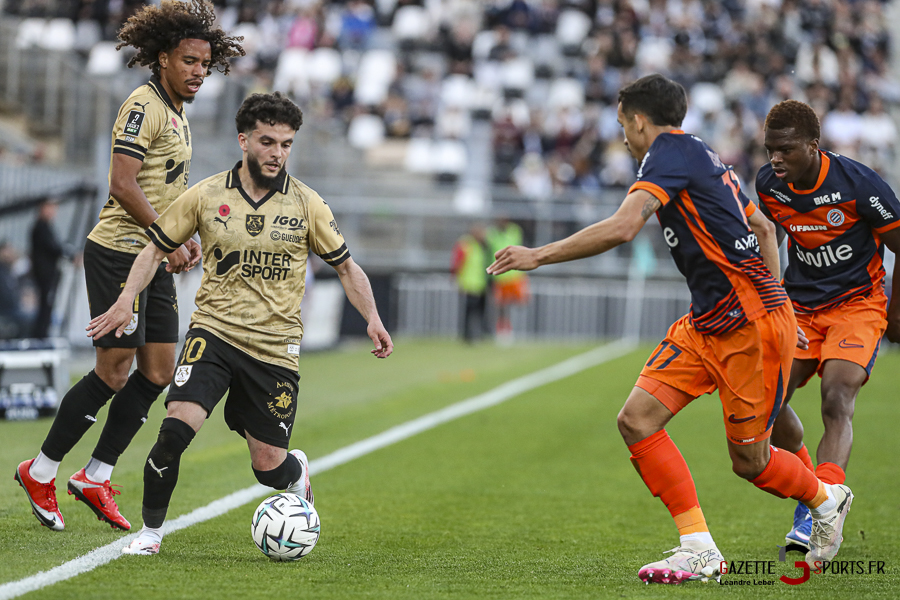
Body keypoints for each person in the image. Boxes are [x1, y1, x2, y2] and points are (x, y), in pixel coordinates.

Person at [487, 74, 853, 584]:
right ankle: (698, 549)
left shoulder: (668, 153)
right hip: (709, 321)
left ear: (639, 121)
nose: (622, 137)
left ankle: (826, 498)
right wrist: (780, 300)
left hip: (747, 324)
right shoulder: (699, 153)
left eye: (622, 124)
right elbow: (763, 228)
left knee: (750, 462)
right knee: (636, 420)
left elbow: (623, 227)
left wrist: (537, 255)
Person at [86, 91, 393, 556]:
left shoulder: (307, 204)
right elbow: (153, 249)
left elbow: (347, 268)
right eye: (268, 141)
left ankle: (296, 471)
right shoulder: (207, 195)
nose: (277, 153)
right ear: (243, 140)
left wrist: (372, 318)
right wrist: (127, 299)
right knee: (173, 432)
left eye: (286, 144)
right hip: (213, 333)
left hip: (275, 349)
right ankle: (150, 534)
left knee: (268, 468)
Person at [14, 0, 244, 533]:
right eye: (189, 61)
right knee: (113, 370)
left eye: (205, 64)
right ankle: (40, 470)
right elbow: (121, 183)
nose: (198, 72)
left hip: (153, 255)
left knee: (159, 371)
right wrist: (166, 237)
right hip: (119, 251)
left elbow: (163, 190)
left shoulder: (178, 112)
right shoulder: (144, 105)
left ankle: (95, 474)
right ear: (163, 58)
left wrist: (179, 239)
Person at [756, 99, 900, 552]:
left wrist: (896, 313)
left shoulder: (859, 185)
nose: (775, 158)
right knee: (767, 400)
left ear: (813, 146)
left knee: (836, 397)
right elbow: (768, 242)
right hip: (799, 309)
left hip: (857, 306)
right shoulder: (769, 186)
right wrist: (771, 305)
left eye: (785, 149)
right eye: (769, 149)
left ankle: (825, 506)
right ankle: (813, 496)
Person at [486, 218, 529, 342]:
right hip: (500, 276)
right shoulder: (492, 234)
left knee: (519, 303)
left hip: (515, 275)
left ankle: (513, 329)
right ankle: (503, 331)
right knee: (501, 306)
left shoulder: (514, 231)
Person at [30, 199, 65, 339]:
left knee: (47, 306)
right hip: (44, 275)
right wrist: (69, 254)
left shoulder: (46, 227)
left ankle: (43, 335)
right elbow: (53, 247)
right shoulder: (40, 227)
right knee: (45, 305)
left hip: (47, 274)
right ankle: (40, 336)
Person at [451, 224, 490, 343]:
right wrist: (456, 278)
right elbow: (457, 262)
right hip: (469, 284)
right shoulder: (465, 244)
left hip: (481, 283)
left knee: (481, 311)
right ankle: (467, 335)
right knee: (469, 312)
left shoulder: (482, 245)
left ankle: (480, 334)